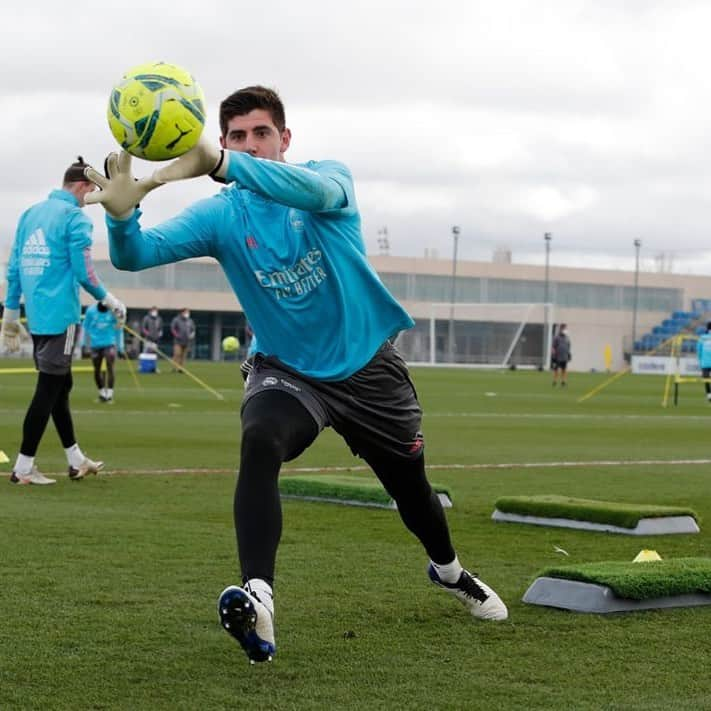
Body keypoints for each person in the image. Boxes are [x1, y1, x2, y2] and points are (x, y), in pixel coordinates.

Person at [84, 86, 508, 663]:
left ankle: (450, 571)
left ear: (285, 139)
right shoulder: (221, 213)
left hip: (368, 368)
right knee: (260, 438)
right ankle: (259, 597)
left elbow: (318, 191)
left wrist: (226, 164)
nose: (251, 145)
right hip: (287, 370)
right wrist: (123, 216)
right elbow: (136, 256)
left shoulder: (326, 179)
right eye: (237, 136)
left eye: (262, 134)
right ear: (223, 139)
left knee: (414, 493)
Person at [1, 156, 126, 485]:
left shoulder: (30, 214)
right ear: (83, 186)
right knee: (48, 390)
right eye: (91, 193)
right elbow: (85, 272)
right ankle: (24, 467)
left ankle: (76, 460)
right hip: (62, 317)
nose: (90, 200)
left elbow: (13, 270)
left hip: (37, 319)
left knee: (61, 387)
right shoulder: (75, 218)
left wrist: (11, 317)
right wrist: (110, 300)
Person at [81, 300, 125, 402]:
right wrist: (84, 344)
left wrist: (120, 347)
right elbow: (85, 328)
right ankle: (102, 393)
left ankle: (109, 394)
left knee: (110, 367)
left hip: (110, 343)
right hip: (95, 345)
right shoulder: (90, 311)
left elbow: (119, 329)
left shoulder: (114, 311)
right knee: (97, 370)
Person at [697, 322, 711, 402]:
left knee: (706, 379)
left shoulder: (702, 337)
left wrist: (700, 360)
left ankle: (709, 394)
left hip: (705, 362)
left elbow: (699, 351)